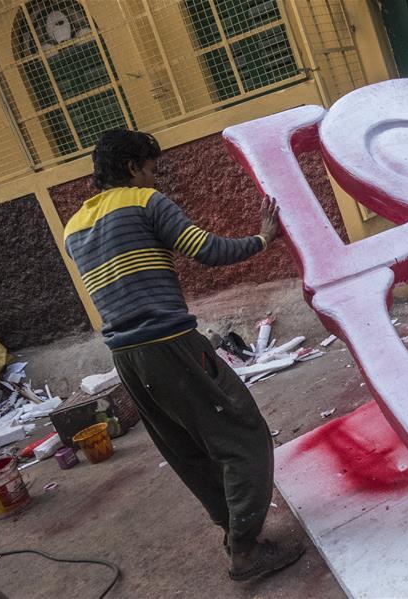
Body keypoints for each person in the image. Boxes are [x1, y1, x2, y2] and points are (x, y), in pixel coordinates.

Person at [63, 129, 304, 581]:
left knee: (188, 450)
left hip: (126, 357)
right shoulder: (144, 201)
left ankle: (235, 535)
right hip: (168, 344)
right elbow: (206, 250)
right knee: (243, 434)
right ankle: (247, 552)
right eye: (152, 169)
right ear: (134, 168)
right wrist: (262, 239)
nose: (155, 179)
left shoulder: (74, 226)